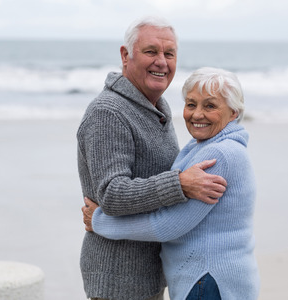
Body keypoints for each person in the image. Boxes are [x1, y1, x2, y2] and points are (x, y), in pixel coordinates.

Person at [77, 18, 228, 300]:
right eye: (151, 52)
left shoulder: (155, 107)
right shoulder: (108, 112)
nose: (162, 62)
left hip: (149, 276)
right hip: (117, 282)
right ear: (125, 55)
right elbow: (112, 193)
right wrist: (180, 184)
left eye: (169, 54)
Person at [83, 67, 260, 300]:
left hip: (207, 279)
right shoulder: (203, 146)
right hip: (208, 278)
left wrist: (100, 222)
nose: (197, 114)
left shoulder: (219, 154)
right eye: (191, 104)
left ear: (234, 113)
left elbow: (168, 225)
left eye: (210, 106)